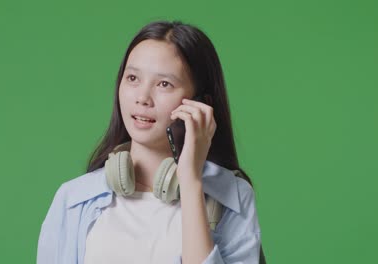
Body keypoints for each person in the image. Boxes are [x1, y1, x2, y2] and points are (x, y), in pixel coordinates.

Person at [37, 20, 263, 264]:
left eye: (164, 84)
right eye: (133, 78)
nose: (142, 97)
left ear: (199, 105)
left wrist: (191, 181)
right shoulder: (73, 199)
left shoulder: (233, 197)